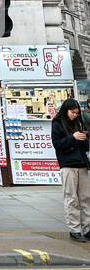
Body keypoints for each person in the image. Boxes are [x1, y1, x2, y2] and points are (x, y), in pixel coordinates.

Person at [51, 98, 90, 242]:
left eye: (77, 113)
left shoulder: (79, 122)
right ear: (66, 110)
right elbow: (58, 145)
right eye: (72, 112)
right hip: (68, 164)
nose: (75, 115)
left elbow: (85, 147)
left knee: (86, 198)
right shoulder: (57, 123)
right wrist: (73, 138)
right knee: (71, 198)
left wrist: (85, 139)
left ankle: (87, 228)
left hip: (82, 163)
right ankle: (75, 230)